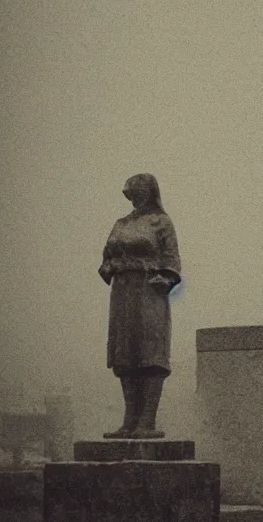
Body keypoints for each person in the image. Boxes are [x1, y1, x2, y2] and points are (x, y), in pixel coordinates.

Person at [98, 173, 181, 439]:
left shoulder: (161, 222)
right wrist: (110, 266)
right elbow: (107, 255)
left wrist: (165, 278)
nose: (132, 196)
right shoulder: (121, 223)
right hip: (123, 293)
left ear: (148, 192)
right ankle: (129, 420)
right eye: (130, 192)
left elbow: (172, 259)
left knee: (150, 354)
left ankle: (147, 421)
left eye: (136, 190)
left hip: (150, 292)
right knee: (126, 355)